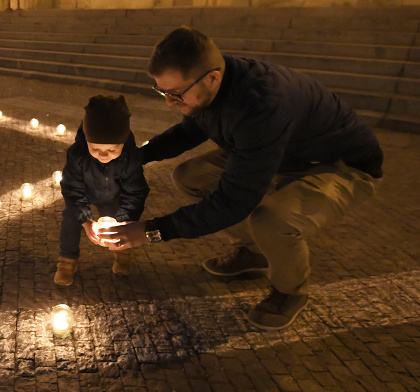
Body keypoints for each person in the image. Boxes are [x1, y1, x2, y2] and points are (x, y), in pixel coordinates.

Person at [99, 27, 383, 331]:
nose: (169, 102)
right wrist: (134, 159)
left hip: (338, 164)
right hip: (278, 150)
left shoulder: (261, 103)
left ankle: (290, 292)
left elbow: (233, 202)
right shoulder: (216, 81)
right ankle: (253, 252)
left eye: (176, 94)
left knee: (271, 219)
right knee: (190, 176)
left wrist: (150, 231)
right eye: (163, 92)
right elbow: (190, 130)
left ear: (211, 78)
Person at [54, 95, 150, 286]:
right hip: (87, 192)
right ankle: (66, 262)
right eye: (95, 148)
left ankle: (122, 255)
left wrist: (123, 219)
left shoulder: (130, 158)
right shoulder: (78, 155)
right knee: (70, 220)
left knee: (121, 226)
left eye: (112, 150)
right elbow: (72, 189)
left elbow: (135, 192)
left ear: (123, 143)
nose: (103, 155)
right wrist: (86, 220)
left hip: (116, 197)